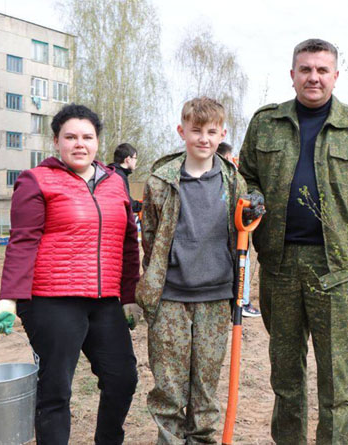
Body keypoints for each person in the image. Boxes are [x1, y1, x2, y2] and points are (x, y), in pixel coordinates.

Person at [238, 38, 348, 444]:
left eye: (322, 70)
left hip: (338, 271)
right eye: (305, 69)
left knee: (336, 383)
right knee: (286, 378)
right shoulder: (265, 123)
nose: (314, 77)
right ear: (292, 75)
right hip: (280, 266)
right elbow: (246, 175)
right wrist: (252, 195)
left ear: (335, 76)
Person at [0, 104, 141, 444]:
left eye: (87, 137)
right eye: (70, 137)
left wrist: (128, 297)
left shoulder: (115, 183)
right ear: (56, 141)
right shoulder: (36, 180)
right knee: (56, 389)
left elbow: (128, 243)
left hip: (104, 302)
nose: (79, 144)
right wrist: (8, 298)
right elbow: (23, 242)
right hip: (51, 301)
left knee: (122, 378)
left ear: (98, 141)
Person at [135, 96, 247, 444]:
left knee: (205, 389)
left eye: (211, 132)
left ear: (222, 133)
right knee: (169, 389)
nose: (203, 139)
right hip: (170, 298)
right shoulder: (160, 180)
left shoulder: (233, 182)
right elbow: (150, 238)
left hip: (215, 298)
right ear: (182, 131)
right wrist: (160, 277)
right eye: (196, 131)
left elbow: (242, 235)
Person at [217, 141, 261, 319]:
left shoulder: (227, 177)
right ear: (227, 156)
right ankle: (242, 302)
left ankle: (239, 301)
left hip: (233, 232)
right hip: (234, 234)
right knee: (243, 262)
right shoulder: (227, 177)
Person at [108, 142, 143, 213]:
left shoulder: (111, 172)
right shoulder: (119, 176)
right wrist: (144, 206)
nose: (136, 161)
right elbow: (128, 203)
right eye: (135, 158)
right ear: (128, 159)